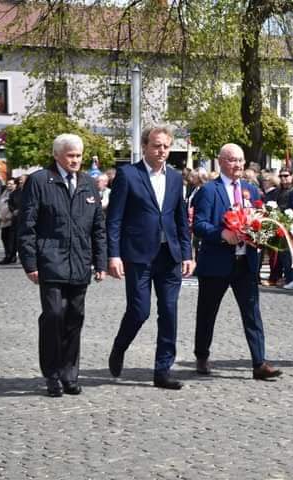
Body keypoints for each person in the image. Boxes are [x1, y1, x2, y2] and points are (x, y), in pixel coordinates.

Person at [18, 133, 107, 397]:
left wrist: (100, 261)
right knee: (54, 315)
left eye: (79, 155)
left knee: (74, 318)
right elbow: (27, 225)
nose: (75, 160)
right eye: (70, 155)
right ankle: (52, 374)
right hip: (50, 261)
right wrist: (30, 262)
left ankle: (70, 375)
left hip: (80, 262)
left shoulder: (88, 184)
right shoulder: (39, 181)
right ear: (57, 155)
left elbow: (98, 227)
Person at [106, 125, 194, 390]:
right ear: (145, 146)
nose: (162, 151)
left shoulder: (175, 178)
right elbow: (114, 219)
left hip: (169, 255)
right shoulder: (128, 174)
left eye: (166, 146)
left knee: (169, 311)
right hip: (138, 255)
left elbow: (180, 219)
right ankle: (120, 346)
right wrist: (114, 254)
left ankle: (162, 370)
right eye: (156, 146)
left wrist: (187, 253)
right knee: (139, 310)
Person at [192, 143, 282, 380]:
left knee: (252, 313)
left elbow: (261, 220)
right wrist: (221, 234)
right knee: (207, 312)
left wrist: (262, 235)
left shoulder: (251, 190)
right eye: (233, 160)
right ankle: (202, 354)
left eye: (241, 160)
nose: (238, 165)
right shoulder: (209, 190)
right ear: (221, 161)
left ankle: (259, 362)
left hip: (246, 262)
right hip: (216, 262)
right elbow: (199, 224)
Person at [0, 178, 17, 264]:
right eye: (8, 184)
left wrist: (8, 217)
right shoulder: (4, 193)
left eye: (11, 184)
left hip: (11, 220)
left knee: (11, 240)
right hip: (3, 220)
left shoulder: (16, 194)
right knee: (4, 238)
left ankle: (10, 256)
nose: (9, 185)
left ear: (15, 185)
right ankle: (8, 255)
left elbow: (14, 207)